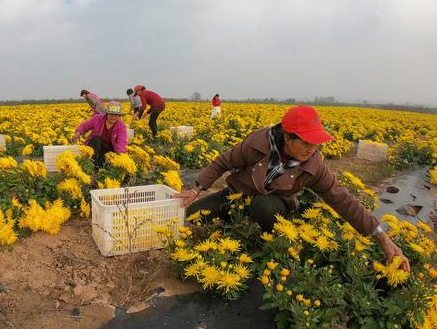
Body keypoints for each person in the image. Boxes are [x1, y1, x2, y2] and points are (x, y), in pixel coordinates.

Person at [174, 105, 410, 272]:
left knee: (263, 206)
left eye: (316, 142)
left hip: (275, 203)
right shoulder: (257, 143)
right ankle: (235, 223)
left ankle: (265, 244)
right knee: (192, 215)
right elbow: (223, 162)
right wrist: (196, 189)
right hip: (238, 195)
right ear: (288, 138)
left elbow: (344, 200)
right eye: (306, 142)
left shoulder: (314, 167)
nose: (312, 149)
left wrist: (383, 239)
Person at [72, 101, 128, 168]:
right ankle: (91, 163)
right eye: (111, 114)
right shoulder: (98, 118)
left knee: (101, 164)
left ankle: (95, 168)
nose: (113, 117)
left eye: (116, 115)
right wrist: (78, 132)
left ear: (119, 115)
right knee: (96, 139)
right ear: (107, 113)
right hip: (94, 147)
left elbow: (121, 142)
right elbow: (85, 126)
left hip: (108, 150)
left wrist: (122, 157)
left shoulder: (121, 126)